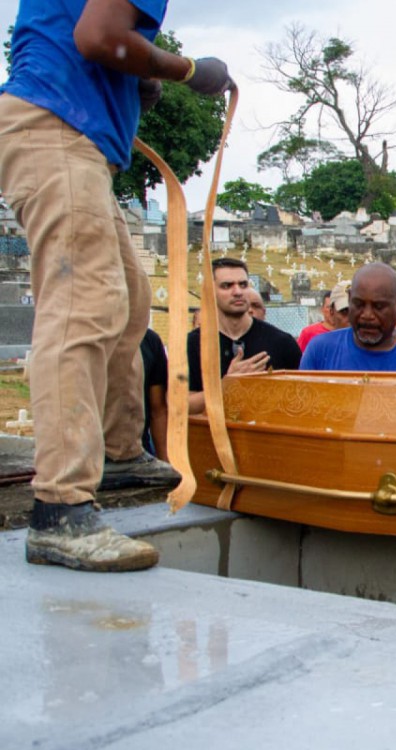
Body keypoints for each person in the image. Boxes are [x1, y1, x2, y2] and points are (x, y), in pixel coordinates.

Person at [0, 0, 232, 571]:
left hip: (69, 128)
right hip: (55, 128)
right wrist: (184, 71)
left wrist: (137, 78)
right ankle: (60, 508)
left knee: (126, 302)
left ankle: (119, 453)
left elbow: (73, 37)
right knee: (84, 310)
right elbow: (100, 35)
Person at [187, 258, 301, 414]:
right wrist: (227, 385)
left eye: (243, 284)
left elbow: (300, 400)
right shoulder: (192, 344)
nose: (238, 292)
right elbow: (181, 405)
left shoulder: (281, 343)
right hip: (211, 436)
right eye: (227, 286)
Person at [300, 263, 396, 374]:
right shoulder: (320, 351)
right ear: (350, 298)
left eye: (379, 307)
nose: (367, 315)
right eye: (358, 304)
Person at [138, 327, 168, 463]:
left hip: (138, 452)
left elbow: (158, 410)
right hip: (87, 455)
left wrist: (165, 461)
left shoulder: (150, 340)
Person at [297, 282, 349, 352]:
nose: (332, 312)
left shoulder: (351, 334)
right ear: (322, 309)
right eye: (328, 307)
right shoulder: (308, 333)